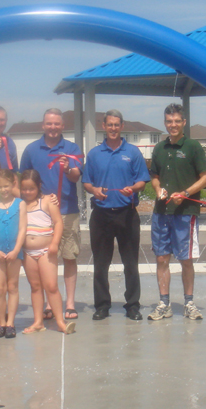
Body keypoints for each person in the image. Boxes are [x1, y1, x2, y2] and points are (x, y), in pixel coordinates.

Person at [82, 110, 150, 320]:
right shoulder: (94, 154)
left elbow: (142, 181)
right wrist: (94, 191)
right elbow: (86, 181)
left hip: (126, 214)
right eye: (109, 124)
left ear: (122, 126)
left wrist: (133, 188)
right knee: (101, 264)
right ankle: (102, 305)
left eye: (116, 125)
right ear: (104, 126)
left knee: (131, 263)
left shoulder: (133, 152)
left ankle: (132, 305)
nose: (113, 128)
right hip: (101, 215)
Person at [148, 103, 206, 321]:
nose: (172, 125)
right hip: (161, 212)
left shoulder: (193, 147)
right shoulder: (159, 149)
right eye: (169, 121)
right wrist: (158, 189)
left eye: (177, 121)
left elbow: (205, 177)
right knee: (162, 258)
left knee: (186, 260)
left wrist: (185, 192)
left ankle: (189, 303)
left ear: (184, 123)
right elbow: (154, 176)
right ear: (165, 123)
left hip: (186, 213)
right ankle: (164, 304)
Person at [19, 108, 83, 320]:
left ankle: (70, 303)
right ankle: (49, 301)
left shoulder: (71, 148)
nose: (53, 127)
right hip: (40, 214)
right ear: (43, 125)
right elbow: (25, 182)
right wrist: (43, 200)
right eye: (49, 124)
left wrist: (67, 169)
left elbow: (75, 177)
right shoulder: (31, 150)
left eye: (57, 124)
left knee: (69, 256)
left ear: (62, 126)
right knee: (47, 258)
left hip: (67, 211)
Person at [19, 170, 76, 335]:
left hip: (46, 251)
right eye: (24, 189)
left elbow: (58, 223)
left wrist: (55, 243)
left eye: (31, 188)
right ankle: (38, 321)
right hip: (27, 252)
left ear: (39, 187)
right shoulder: (20, 203)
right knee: (35, 286)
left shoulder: (47, 201)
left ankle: (60, 321)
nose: (27, 192)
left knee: (51, 286)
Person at [0, 169, 26, 338]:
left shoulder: (20, 203)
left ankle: (11, 323)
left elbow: (23, 228)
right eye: (0, 187)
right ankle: (1, 322)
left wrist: (16, 249)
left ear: (13, 184)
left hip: (15, 252)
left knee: (12, 286)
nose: (3, 190)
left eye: (6, 186)